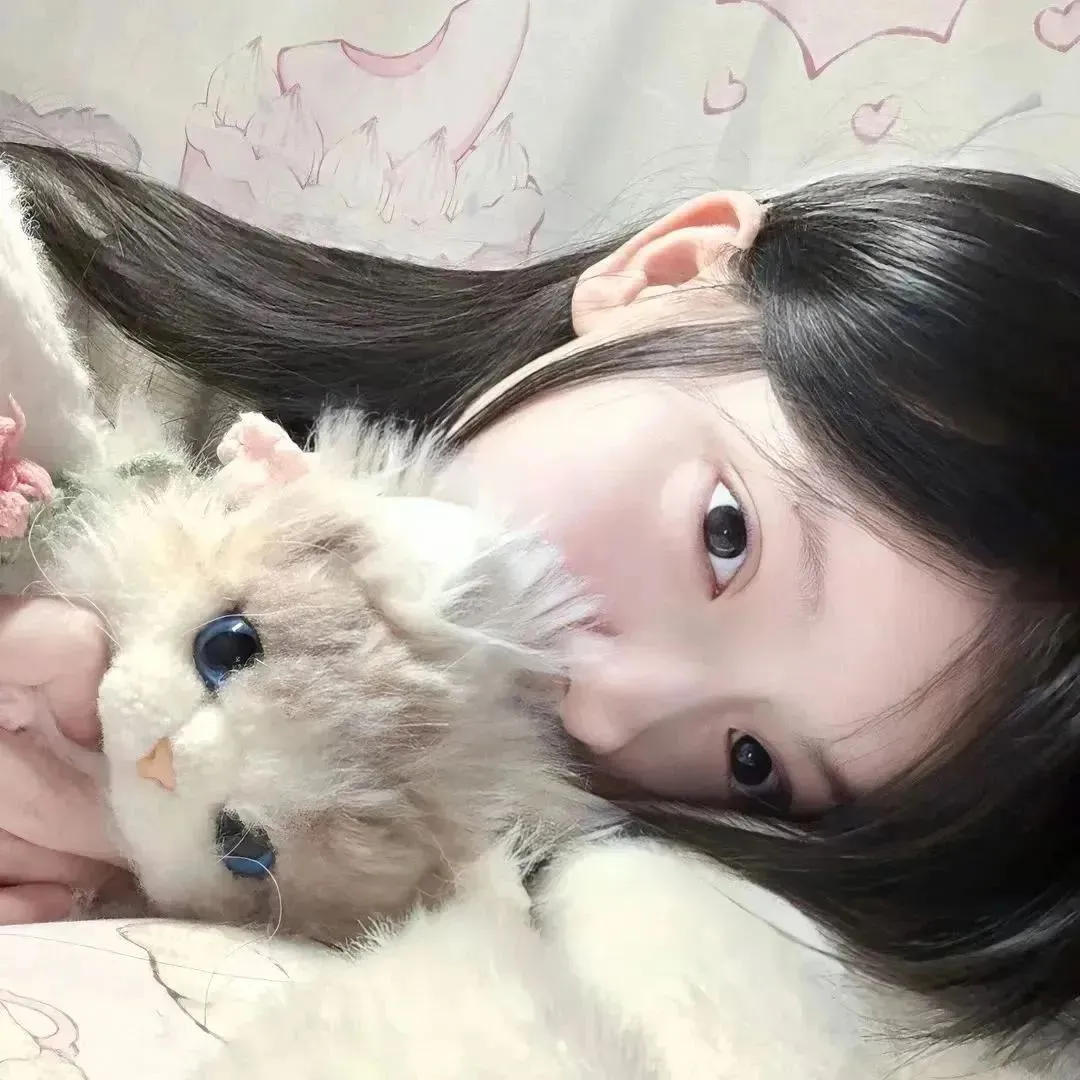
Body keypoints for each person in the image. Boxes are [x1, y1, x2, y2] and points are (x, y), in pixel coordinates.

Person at [1, 142, 1079, 1059]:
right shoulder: (52, 312)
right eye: (725, 536)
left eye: (754, 763)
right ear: (667, 273)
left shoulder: (486, 907)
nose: (605, 710)